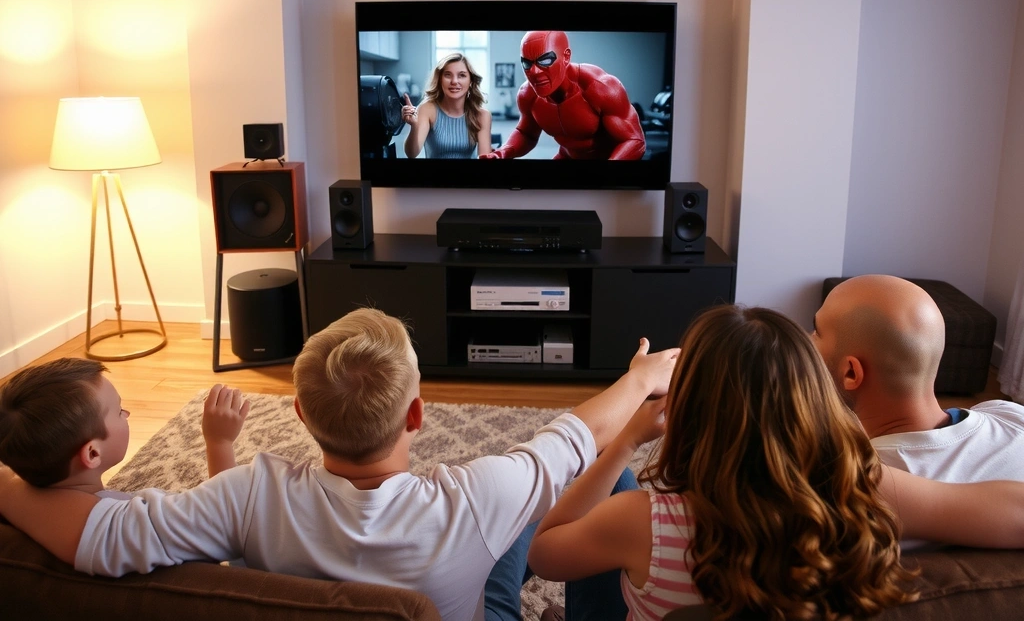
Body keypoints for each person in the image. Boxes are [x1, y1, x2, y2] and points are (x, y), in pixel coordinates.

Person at [0, 307, 678, 621]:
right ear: (417, 416)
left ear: (299, 414)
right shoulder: (480, 494)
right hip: (470, 596)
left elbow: (102, 537)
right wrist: (640, 377)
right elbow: (574, 436)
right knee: (602, 478)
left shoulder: (247, 495)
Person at [527, 305, 1024, 621]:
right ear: (814, 401)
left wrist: (626, 439)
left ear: (690, 407)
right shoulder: (860, 489)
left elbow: (544, 553)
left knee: (561, 488)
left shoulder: (642, 519)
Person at [812, 273, 1024, 482]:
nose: (807, 340)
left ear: (851, 372)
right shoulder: (1009, 415)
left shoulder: (857, 485)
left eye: (816, 332)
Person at [0, 358, 250, 495]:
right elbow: (225, 515)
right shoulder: (139, 520)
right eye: (120, 411)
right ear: (92, 453)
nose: (127, 414)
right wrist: (219, 441)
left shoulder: (16, 500)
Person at [484, 31, 646, 161]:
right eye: (527, 63)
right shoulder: (528, 95)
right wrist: (502, 152)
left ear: (566, 57)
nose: (534, 72)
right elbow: (527, 134)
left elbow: (634, 141)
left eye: (545, 61)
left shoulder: (601, 87)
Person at [403, 52, 493, 159]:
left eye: (462, 75)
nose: (454, 81)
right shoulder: (427, 109)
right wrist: (414, 126)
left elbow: (485, 157)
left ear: (471, 81)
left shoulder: (482, 115)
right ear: (440, 79)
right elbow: (411, 154)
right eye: (447, 75)